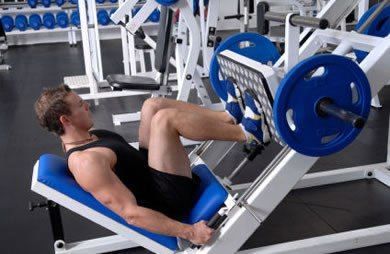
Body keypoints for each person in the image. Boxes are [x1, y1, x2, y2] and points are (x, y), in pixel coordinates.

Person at [34, 83, 270, 245]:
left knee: (152, 106)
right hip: (167, 199)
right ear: (66, 120)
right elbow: (132, 215)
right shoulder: (85, 162)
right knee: (165, 120)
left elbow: (130, 162)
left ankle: (228, 117)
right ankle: (248, 134)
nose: (87, 106)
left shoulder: (89, 135)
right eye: (80, 105)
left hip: (150, 175)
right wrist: (189, 232)